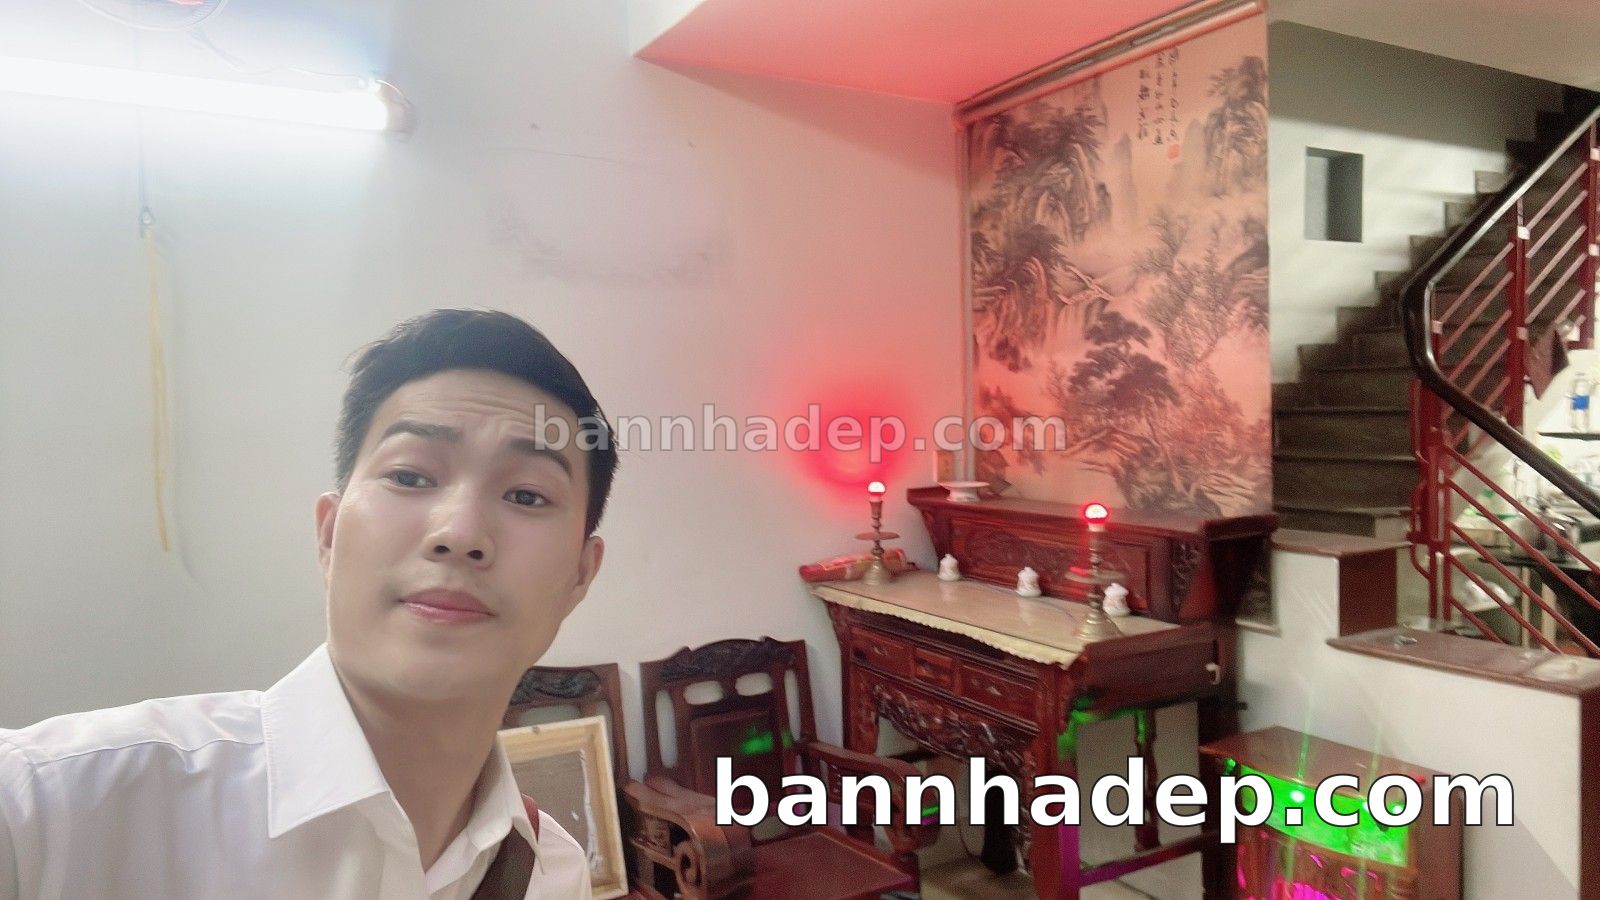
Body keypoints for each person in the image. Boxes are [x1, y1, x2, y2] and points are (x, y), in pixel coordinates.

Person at [0, 309, 617, 899]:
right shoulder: (55, 811)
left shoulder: (550, 874)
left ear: (580, 576)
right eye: (409, 476)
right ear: (328, 535)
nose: (458, 532)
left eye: (527, 495)